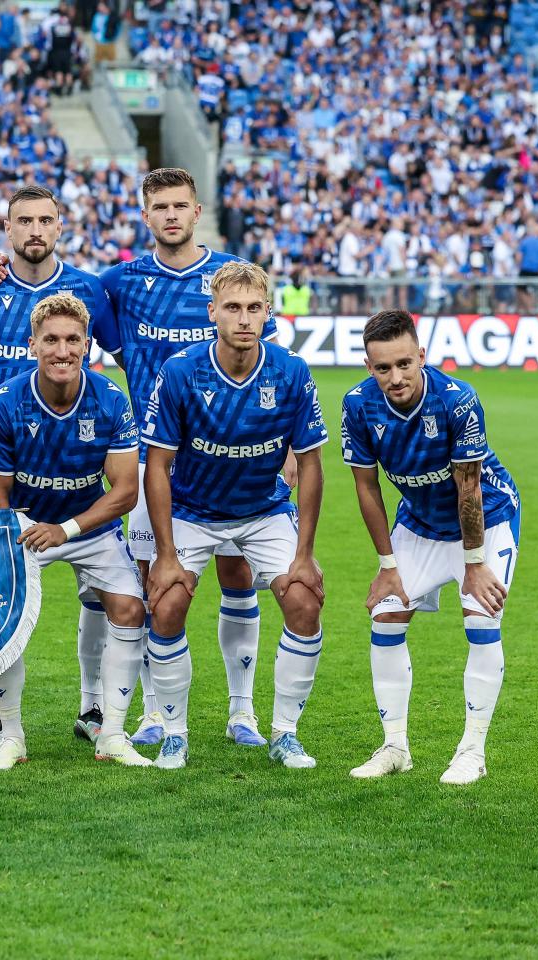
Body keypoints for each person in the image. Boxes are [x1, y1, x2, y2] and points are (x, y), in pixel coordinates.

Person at [0, 167, 286, 751]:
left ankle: (242, 710)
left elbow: (264, 357)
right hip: (152, 456)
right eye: (160, 207)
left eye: (180, 206)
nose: (171, 216)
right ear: (145, 216)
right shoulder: (116, 283)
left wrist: (287, 449)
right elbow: (59, 298)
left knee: (238, 574)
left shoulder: (230, 278)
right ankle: (146, 711)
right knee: (150, 585)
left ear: (197, 211)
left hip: (230, 456)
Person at [141, 261, 329, 770]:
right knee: (167, 605)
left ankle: (285, 733)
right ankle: (174, 734)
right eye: (232, 308)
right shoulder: (181, 372)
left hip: (264, 509)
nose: (243, 319)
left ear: (268, 313)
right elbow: (157, 465)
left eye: (253, 308)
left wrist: (305, 553)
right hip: (193, 510)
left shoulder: (291, 371)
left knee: (304, 602)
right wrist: (165, 554)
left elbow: (311, 465)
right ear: (212, 313)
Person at [0, 184, 117, 745]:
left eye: (44, 220)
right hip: (5, 474)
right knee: (3, 597)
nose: (34, 230)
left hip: (80, 471)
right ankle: (6, 723)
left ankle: (94, 706)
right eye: (23, 221)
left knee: (100, 594)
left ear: (60, 225)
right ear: (7, 228)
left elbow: (129, 359)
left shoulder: (89, 289)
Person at [341, 309, 520, 786]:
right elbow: (366, 487)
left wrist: (474, 564)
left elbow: (469, 487)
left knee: (481, 618)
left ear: (421, 356)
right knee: (386, 616)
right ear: (369, 366)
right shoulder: (357, 405)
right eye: (383, 368)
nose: (396, 377)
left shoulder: (457, 400)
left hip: (486, 519)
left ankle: (472, 752)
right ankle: (395, 747)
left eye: (404, 364)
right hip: (420, 523)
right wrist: (387, 565)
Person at [0, 292, 150, 770]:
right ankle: (11, 734)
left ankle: (111, 733)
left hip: (86, 523)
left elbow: (125, 491)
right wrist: (19, 534)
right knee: (2, 613)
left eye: (73, 340)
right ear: (32, 345)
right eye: (51, 340)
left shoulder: (110, 398)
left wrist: (66, 528)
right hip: (22, 522)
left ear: (87, 344)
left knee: (130, 609)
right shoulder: (6, 401)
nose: (62, 350)